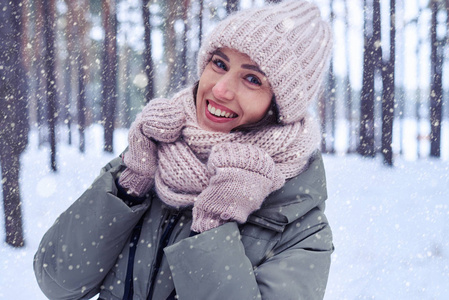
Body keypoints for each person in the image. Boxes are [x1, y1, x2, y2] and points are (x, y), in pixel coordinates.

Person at [34, 1, 334, 299]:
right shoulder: (156, 150)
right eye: (219, 64)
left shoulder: (300, 224)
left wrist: (213, 227)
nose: (220, 89)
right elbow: (58, 282)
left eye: (252, 79)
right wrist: (130, 183)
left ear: (281, 106)